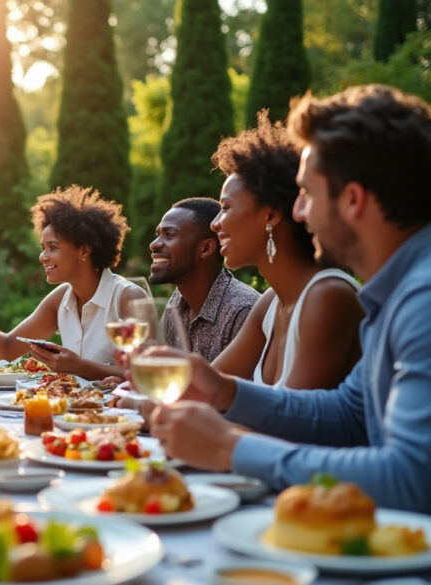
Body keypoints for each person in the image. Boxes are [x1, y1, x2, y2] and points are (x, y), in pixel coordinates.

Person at [150, 85, 431, 512]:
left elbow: (412, 479)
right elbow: (349, 413)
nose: (299, 212)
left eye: (308, 194)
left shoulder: (422, 298)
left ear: (353, 199)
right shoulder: (394, 293)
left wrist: (230, 447)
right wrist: (225, 391)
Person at [205, 113, 363, 390]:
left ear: (270, 215)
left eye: (226, 207)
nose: (214, 223)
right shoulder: (270, 303)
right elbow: (206, 385)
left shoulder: (329, 297)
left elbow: (292, 421)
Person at [0, 186, 146, 379]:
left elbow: (144, 373)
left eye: (52, 247)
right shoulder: (61, 298)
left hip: (121, 415)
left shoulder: (127, 297)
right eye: (43, 247)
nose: (42, 256)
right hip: (74, 412)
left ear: (84, 250)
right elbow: (6, 349)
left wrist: (78, 366)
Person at [149, 197, 260, 362]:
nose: (154, 244)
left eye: (169, 235)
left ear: (206, 248)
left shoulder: (242, 312)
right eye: (158, 235)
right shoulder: (177, 301)